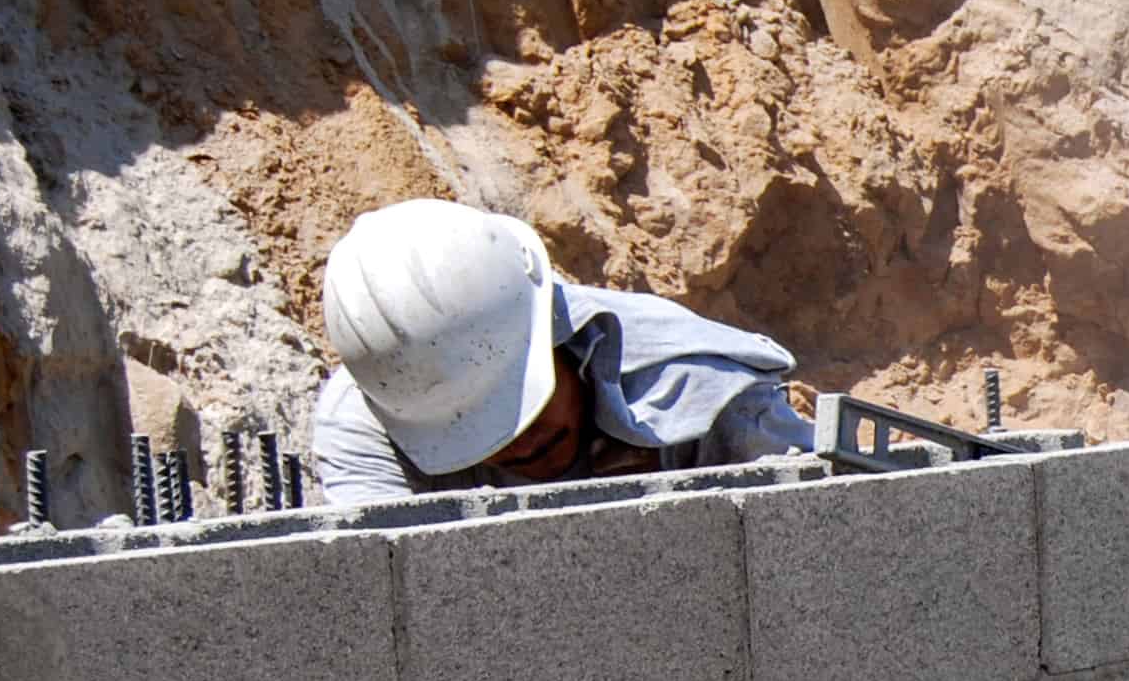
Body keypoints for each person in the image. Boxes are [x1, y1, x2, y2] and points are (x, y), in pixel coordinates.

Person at [310, 201, 810, 507]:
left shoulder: (697, 387)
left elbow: (832, 534)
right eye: (473, 433)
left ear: (552, 330)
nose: (518, 443)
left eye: (521, 403)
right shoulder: (373, 418)